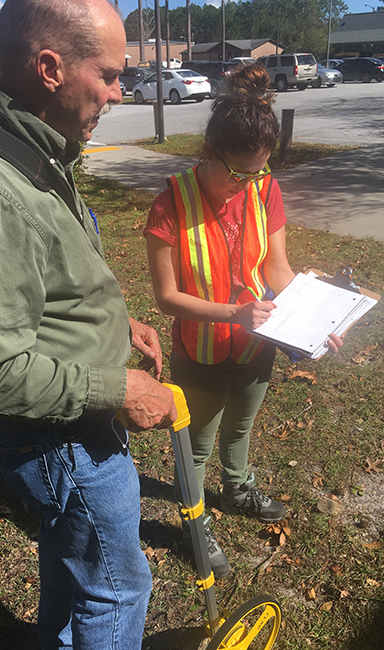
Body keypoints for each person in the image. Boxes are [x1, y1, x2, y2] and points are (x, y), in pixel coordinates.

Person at [0, 1, 177, 648]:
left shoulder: (34, 143)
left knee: (73, 567)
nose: (120, 93)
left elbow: (49, 271)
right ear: (49, 68)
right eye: (109, 75)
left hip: (74, 423)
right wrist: (120, 389)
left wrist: (119, 323)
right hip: (61, 441)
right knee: (119, 587)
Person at [144, 64, 342, 580]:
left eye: (260, 171)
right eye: (239, 172)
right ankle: (195, 520)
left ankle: (238, 486)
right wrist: (233, 314)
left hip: (258, 345)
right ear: (209, 150)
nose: (250, 184)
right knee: (197, 443)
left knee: (242, 426)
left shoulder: (264, 188)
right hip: (201, 350)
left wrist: (315, 320)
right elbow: (166, 298)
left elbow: (276, 269)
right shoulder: (170, 203)